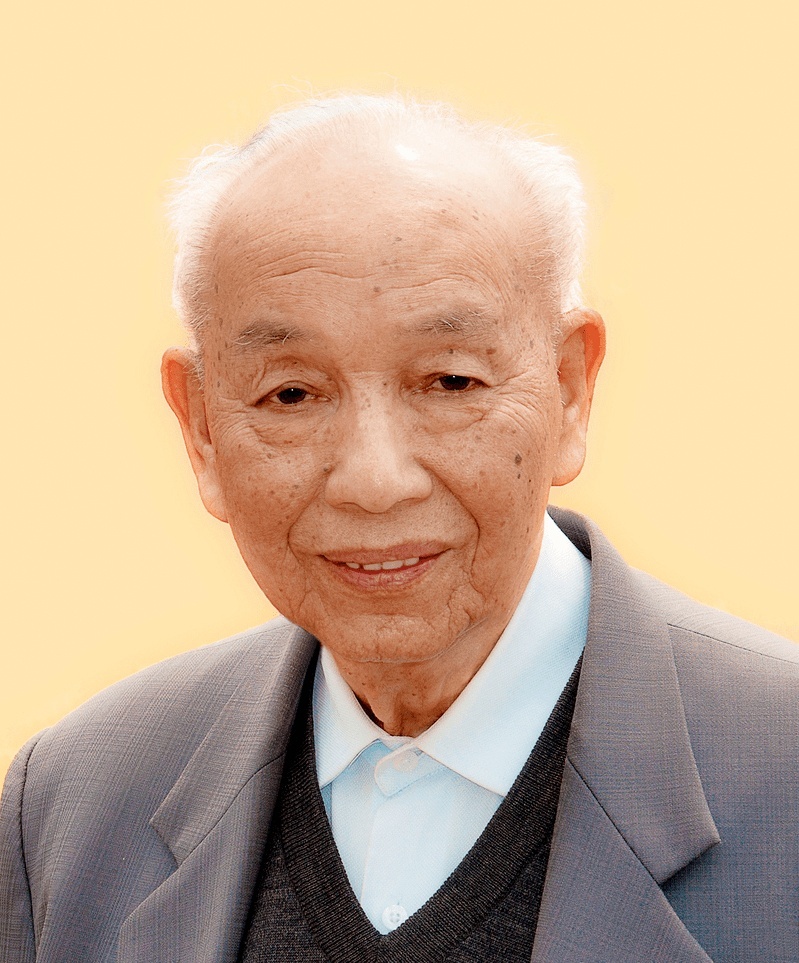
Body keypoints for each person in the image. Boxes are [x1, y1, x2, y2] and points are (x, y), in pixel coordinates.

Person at [1, 94, 797, 963]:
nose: (374, 482)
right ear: (200, 429)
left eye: (450, 382)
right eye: (291, 394)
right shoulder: (75, 805)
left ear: (569, 390)